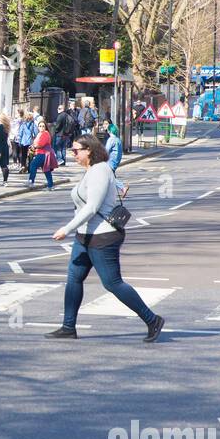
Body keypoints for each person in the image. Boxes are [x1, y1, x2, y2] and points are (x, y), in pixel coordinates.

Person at [45, 134, 164, 342]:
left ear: (89, 150)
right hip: (85, 236)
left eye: (76, 151)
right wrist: (76, 229)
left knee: (112, 283)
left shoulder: (100, 171)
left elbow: (92, 207)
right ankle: (68, 327)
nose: (73, 154)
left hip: (102, 236)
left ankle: (152, 319)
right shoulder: (90, 171)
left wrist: (67, 228)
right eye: (72, 151)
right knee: (74, 278)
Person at [27, 117, 55, 189]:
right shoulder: (40, 133)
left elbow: (41, 144)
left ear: (45, 127)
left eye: (43, 126)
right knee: (46, 170)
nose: (41, 127)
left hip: (43, 153)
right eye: (40, 126)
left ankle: (31, 181)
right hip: (41, 153)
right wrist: (33, 146)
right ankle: (50, 185)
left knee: (33, 165)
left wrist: (34, 146)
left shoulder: (45, 134)